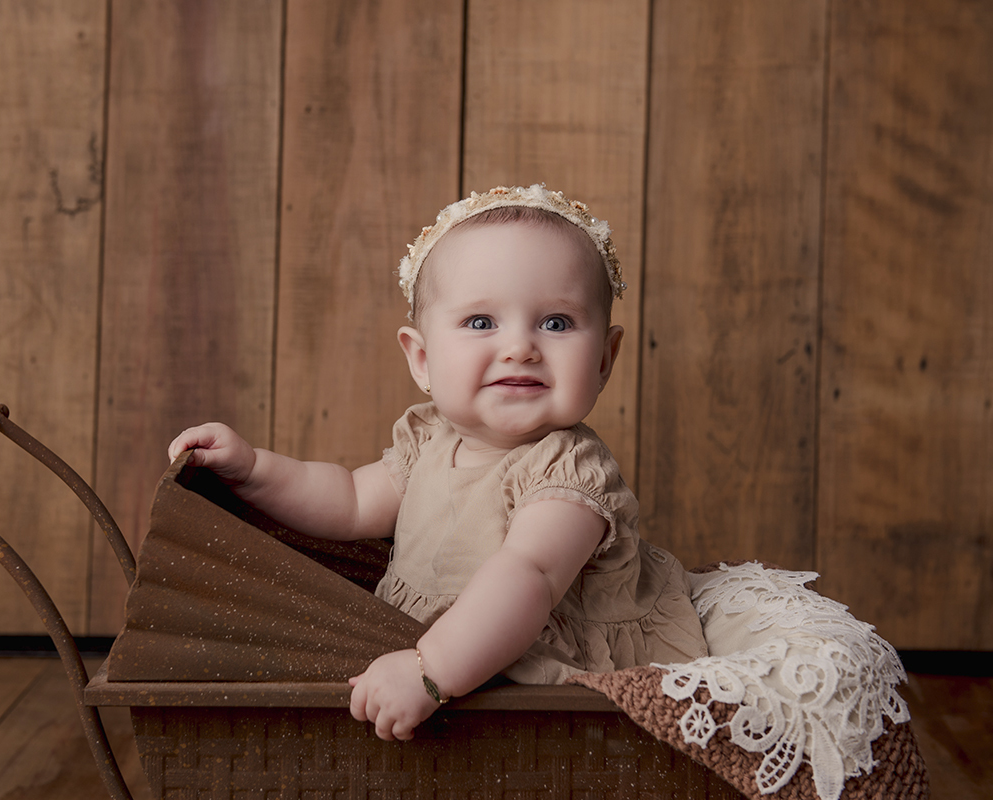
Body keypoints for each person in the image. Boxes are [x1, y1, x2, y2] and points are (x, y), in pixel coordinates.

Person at [167, 184, 707, 742]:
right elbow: (349, 501)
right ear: (422, 359)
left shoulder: (570, 471)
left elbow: (530, 577)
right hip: (442, 653)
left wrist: (430, 672)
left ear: (603, 359)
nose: (520, 347)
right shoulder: (428, 441)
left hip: (535, 662)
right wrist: (255, 469)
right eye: (480, 322)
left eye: (556, 323)